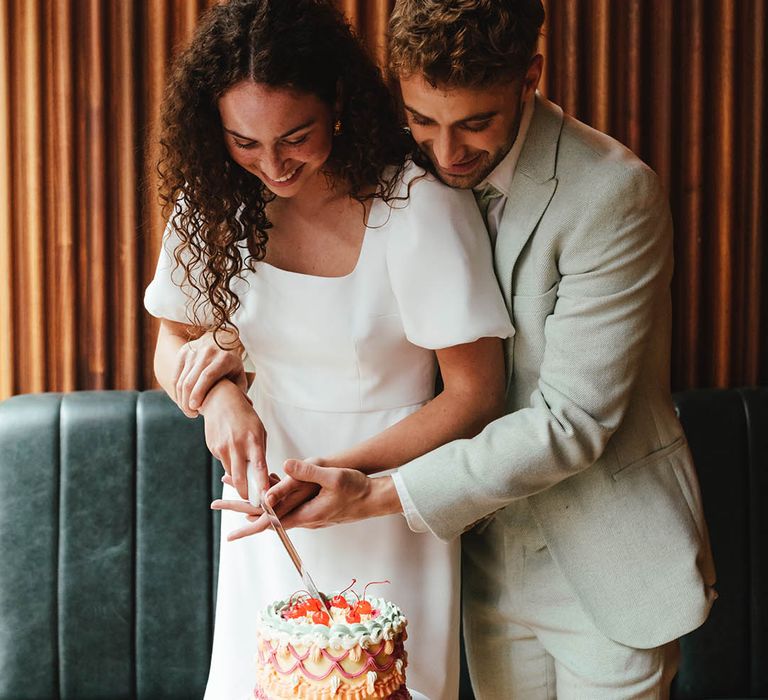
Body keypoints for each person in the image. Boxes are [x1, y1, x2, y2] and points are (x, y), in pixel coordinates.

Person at [223, 1, 718, 698]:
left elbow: (570, 423)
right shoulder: (388, 164)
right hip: (474, 560)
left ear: (530, 77)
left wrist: (375, 493)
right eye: (423, 119)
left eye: (476, 123)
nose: (445, 152)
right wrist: (216, 378)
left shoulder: (614, 194)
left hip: (606, 561)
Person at [143, 1, 514, 698]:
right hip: (264, 505)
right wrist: (217, 395)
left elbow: (476, 392)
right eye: (244, 142)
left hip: (387, 499)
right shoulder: (216, 200)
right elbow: (173, 340)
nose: (272, 165)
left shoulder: (417, 205)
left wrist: (336, 474)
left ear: (338, 102)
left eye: (295, 136)